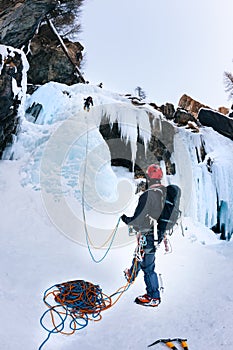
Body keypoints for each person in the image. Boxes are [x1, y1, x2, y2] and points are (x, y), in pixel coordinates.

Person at [121, 164, 166, 307]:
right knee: (139, 255)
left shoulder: (148, 195)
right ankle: (132, 274)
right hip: (156, 234)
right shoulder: (162, 194)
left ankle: (154, 296)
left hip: (149, 235)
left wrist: (125, 219)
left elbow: (138, 218)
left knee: (148, 266)